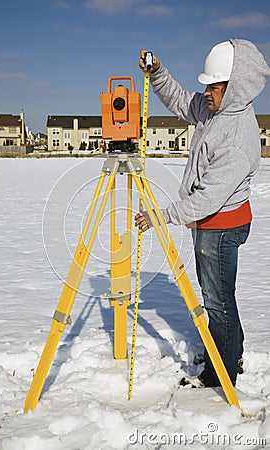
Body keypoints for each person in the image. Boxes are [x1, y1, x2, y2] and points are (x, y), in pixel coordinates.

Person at [135, 40, 270, 388]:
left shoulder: (237, 136)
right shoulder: (216, 110)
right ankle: (230, 350)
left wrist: (161, 215)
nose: (206, 92)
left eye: (214, 85)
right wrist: (158, 74)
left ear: (235, 86)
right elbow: (182, 101)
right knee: (223, 295)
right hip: (216, 223)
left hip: (220, 227)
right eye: (207, 85)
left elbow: (208, 199)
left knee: (217, 302)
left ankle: (217, 375)